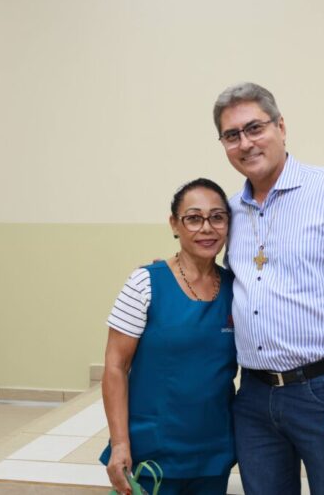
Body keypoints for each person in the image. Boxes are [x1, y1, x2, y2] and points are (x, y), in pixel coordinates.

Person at [213, 83, 324, 495]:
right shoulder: (232, 211)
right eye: (232, 135)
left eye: (255, 128)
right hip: (254, 395)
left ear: (280, 127)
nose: (245, 143)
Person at [100, 178, 236, 495]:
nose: (207, 228)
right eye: (194, 218)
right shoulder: (145, 283)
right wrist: (119, 443)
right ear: (174, 224)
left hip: (213, 454)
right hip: (152, 454)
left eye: (217, 217)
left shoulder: (236, 288)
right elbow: (115, 366)